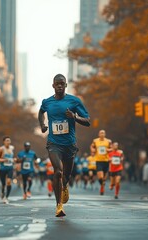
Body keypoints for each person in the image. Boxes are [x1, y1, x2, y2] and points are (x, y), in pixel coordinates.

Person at [38, 73, 90, 217]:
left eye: (62, 83)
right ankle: (58, 206)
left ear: (66, 85)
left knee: (66, 176)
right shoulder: (47, 102)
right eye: (57, 84)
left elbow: (88, 120)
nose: (60, 86)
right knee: (58, 172)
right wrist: (42, 125)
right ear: (53, 85)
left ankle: (65, 185)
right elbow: (41, 112)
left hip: (70, 145)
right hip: (54, 143)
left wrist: (74, 117)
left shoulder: (74, 101)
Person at [0, 136, 16, 204]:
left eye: (9, 140)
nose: (8, 142)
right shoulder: (1, 149)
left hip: (10, 168)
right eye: (7, 140)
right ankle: (3, 192)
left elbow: (12, 158)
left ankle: (6, 197)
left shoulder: (12, 148)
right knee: (3, 184)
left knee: (9, 181)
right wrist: (3, 160)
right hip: (3, 168)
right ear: (4, 142)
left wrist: (14, 159)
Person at [91, 130, 112, 195]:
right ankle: (102, 184)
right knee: (100, 177)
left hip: (106, 160)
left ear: (105, 134)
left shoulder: (108, 141)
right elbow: (92, 146)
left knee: (104, 178)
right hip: (98, 160)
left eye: (103, 133)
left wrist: (108, 150)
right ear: (98, 134)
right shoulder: (95, 141)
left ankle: (102, 189)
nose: (102, 134)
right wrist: (93, 150)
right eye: (101, 133)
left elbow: (111, 149)